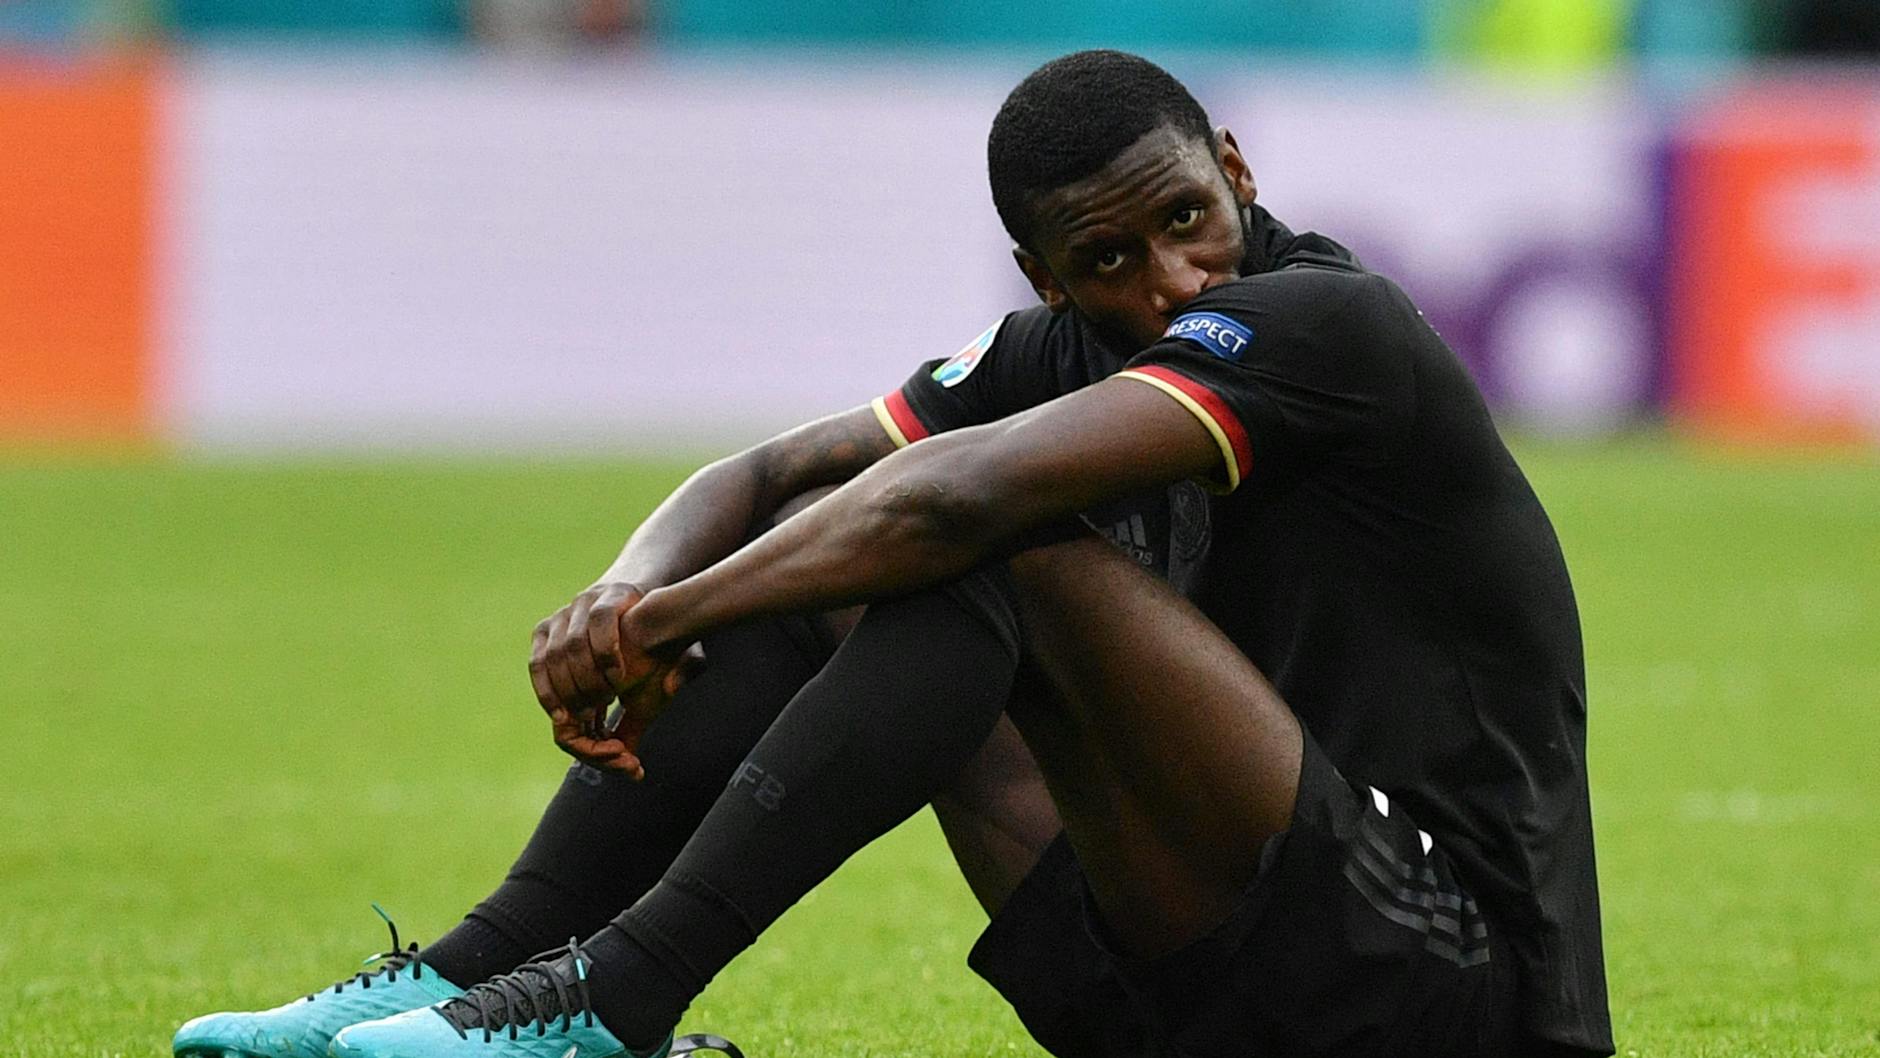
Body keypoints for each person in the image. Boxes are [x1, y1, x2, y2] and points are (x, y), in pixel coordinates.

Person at [175, 50, 1612, 1058]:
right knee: (839, 551)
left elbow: (941, 506)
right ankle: (475, 969)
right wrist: (624, 589)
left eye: (1188, 219)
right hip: (1193, 979)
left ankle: (613, 997)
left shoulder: (1327, 324)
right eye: (1108, 262)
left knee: (985, 546)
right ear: (1045, 276)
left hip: (1437, 978)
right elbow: (768, 475)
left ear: (1234, 169)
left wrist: (667, 617)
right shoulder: (1065, 347)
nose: (1172, 281)